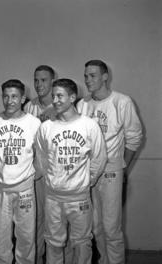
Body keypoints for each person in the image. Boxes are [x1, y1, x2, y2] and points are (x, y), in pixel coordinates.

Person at [77, 60, 143, 264]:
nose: (88, 80)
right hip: (88, 170)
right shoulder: (82, 104)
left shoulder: (121, 102)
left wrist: (122, 166)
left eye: (93, 75)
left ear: (105, 77)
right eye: (86, 76)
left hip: (112, 168)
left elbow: (135, 137)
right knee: (95, 226)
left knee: (111, 227)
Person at [35, 78, 107, 264]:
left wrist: (87, 181)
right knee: (53, 242)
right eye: (54, 96)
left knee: (82, 243)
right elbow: (42, 158)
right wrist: (53, 180)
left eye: (60, 96)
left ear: (73, 97)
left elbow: (99, 158)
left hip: (80, 198)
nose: (55, 100)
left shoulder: (89, 126)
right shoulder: (46, 128)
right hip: (53, 198)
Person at [0, 79, 41, 264]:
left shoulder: (34, 123)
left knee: (26, 235)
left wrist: (30, 175)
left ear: (23, 98)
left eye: (14, 96)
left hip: (25, 189)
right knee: (1, 234)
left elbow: (41, 154)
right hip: (0, 189)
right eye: (5, 96)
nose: (9, 101)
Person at [24, 65, 56, 264]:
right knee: (35, 219)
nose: (39, 84)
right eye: (36, 80)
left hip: (57, 172)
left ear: (52, 81)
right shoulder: (29, 107)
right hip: (36, 171)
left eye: (43, 80)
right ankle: (36, 259)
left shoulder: (62, 104)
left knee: (55, 222)